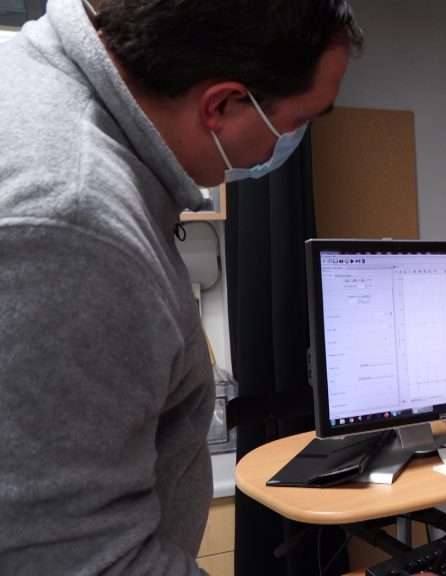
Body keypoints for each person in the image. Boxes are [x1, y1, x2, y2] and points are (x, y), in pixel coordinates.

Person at [0, 0, 361, 573]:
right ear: (221, 105)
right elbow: (80, 560)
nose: (287, 145)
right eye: (298, 122)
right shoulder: (71, 218)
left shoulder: (28, 82)